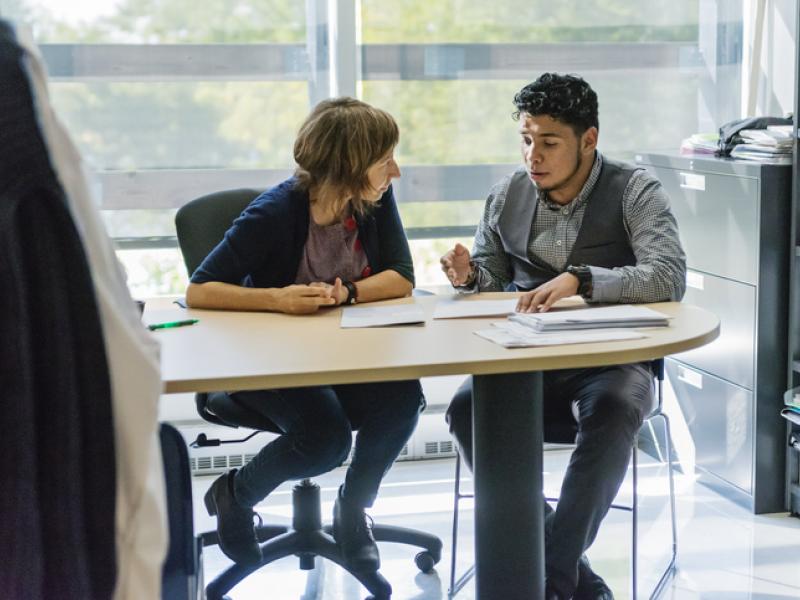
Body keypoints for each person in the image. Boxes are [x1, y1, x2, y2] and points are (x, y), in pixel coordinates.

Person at [441, 73, 686, 600]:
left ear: (589, 140)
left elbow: (668, 275)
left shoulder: (634, 189)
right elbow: (492, 274)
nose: (534, 155)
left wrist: (584, 278)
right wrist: (468, 276)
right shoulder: (507, 192)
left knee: (616, 409)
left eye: (549, 142)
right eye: (526, 139)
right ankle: (574, 573)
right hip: (526, 356)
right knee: (465, 410)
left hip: (610, 361)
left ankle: (548, 581)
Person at [186, 97, 425, 572]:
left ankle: (353, 511)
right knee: (325, 438)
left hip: (340, 353)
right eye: (384, 161)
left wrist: (346, 294)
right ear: (351, 166)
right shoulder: (274, 212)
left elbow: (401, 276)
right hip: (268, 359)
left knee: (402, 401)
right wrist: (277, 298)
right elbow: (199, 290)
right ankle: (236, 492)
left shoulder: (372, 200)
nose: (394, 172)